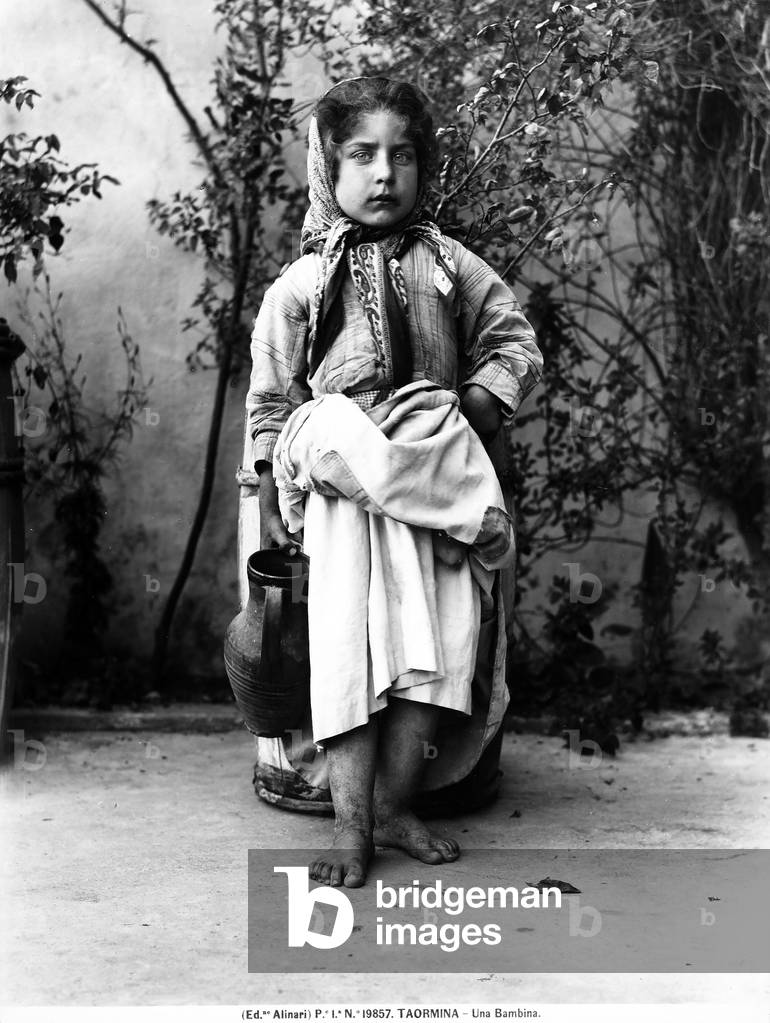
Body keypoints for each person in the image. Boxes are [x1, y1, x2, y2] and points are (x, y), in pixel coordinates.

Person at [245, 76, 543, 888]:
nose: (384, 173)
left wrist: (472, 408)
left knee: (435, 652)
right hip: (344, 497)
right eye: (363, 154)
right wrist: (271, 490)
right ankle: (350, 824)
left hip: (434, 484)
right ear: (328, 166)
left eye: (403, 155)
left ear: (424, 165)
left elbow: (514, 341)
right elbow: (271, 402)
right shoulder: (302, 284)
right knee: (350, 651)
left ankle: (393, 804)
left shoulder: (451, 265)